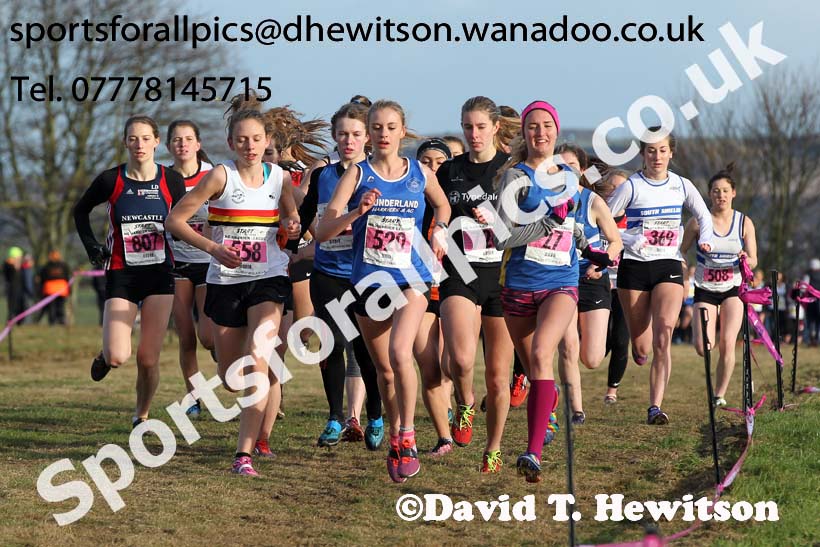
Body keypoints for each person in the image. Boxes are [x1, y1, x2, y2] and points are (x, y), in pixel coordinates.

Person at [316, 99, 450, 483]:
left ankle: (408, 434)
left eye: (391, 127)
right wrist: (356, 212)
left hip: (412, 277)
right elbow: (323, 232)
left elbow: (442, 206)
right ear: (369, 134)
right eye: (376, 128)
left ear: (402, 131)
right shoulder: (357, 174)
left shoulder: (420, 172)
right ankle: (395, 435)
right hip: (369, 284)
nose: (383, 134)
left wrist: (440, 230)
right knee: (385, 372)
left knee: (399, 352)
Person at [166, 107, 301, 476]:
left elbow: (290, 216)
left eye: (256, 139)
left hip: (269, 278)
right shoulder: (219, 176)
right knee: (230, 378)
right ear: (230, 143)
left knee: (258, 359)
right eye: (242, 140)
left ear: (268, 141)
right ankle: (245, 394)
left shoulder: (279, 178)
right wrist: (213, 249)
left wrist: (292, 223)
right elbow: (175, 220)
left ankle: (244, 454)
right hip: (226, 281)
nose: (250, 146)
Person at [73, 115, 186, 429]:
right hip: (122, 273)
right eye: (133, 138)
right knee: (118, 357)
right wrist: (92, 247)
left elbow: (183, 220)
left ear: (157, 142)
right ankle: (105, 354)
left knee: (148, 358)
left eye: (146, 138)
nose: (139, 144)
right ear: (125, 142)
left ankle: (141, 414)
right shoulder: (111, 180)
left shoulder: (171, 180)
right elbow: (80, 211)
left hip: (160, 274)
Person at [292, 102, 384, 449]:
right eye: (342, 134)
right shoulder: (323, 175)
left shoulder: (376, 175)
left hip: (365, 274)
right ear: (334, 136)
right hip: (328, 272)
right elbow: (306, 213)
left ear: (367, 137)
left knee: (365, 349)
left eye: (356, 134)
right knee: (329, 344)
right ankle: (334, 417)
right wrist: (292, 241)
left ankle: (375, 415)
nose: (349, 140)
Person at [607, 126, 713, 425]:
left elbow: (703, 215)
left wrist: (705, 239)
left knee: (664, 335)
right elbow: (603, 221)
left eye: (662, 150)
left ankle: (655, 407)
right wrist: (628, 239)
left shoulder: (681, 185)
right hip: (635, 268)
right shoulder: (631, 186)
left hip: (669, 264)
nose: (657, 156)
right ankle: (639, 350)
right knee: (642, 345)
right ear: (643, 154)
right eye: (651, 150)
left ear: (671, 153)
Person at [437, 96, 520, 473]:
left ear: (496, 128)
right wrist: (438, 230)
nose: (474, 134)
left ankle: (494, 449)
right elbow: (434, 212)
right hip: (460, 272)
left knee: (499, 377)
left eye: (481, 127)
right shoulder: (449, 171)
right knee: (461, 359)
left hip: (500, 276)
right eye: (467, 127)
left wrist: (497, 223)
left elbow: (527, 226)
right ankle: (465, 403)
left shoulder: (511, 170)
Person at [555, 144, 623, 426]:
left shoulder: (593, 201)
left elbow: (616, 242)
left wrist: (601, 263)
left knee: (592, 358)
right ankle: (576, 410)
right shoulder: (545, 199)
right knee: (568, 346)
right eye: (559, 165)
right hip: (561, 279)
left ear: (582, 170)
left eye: (571, 166)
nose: (565, 171)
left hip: (592, 278)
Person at [682, 163, 757, 407]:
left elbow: (754, 259)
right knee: (703, 346)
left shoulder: (744, 222)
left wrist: (746, 259)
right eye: (716, 191)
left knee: (727, 343)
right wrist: (683, 274)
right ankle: (714, 383)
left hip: (733, 289)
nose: (721, 195)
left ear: (733, 193)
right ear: (709, 194)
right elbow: (680, 252)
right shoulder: (698, 222)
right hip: (705, 288)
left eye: (725, 191)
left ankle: (719, 394)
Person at [166, 120, 216, 418]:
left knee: (208, 337)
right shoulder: (162, 178)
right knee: (186, 337)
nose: (182, 144)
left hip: (209, 262)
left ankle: (222, 350)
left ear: (198, 144)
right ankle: (195, 397)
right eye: (176, 139)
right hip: (177, 264)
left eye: (188, 139)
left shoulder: (213, 175)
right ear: (168, 146)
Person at [416, 138, 455, 456]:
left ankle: (460, 405)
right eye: (426, 162)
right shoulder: (410, 200)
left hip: (455, 289)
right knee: (428, 366)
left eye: (439, 162)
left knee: (451, 364)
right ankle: (444, 438)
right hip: (419, 290)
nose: (432, 168)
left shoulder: (458, 201)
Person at [38, 250, 71, 325]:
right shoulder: (64, 265)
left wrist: (40, 290)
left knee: (51, 307)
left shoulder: (46, 266)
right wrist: (69, 290)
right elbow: (67, 277)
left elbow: (42, 278)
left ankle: (52, 322)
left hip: (50, 290)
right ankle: (61, 320)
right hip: (62, 289)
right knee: (60, 306)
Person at [3, 247, 25, 322]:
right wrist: (15, 264)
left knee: (20, 305)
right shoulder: (8, 266)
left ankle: (19, 321)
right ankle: (10, 320)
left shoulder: (17, 266)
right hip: (12, 288)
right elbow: (10, 275)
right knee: (12, 305)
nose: (20, 260)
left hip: (18, 288)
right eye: (18, 258)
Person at [805, 258, 820, 346]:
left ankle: (810, 339)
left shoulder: (808, 275)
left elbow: (804, 286)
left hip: (810, 300)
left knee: (810, 320)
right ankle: (817, 339)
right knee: (818, 321)